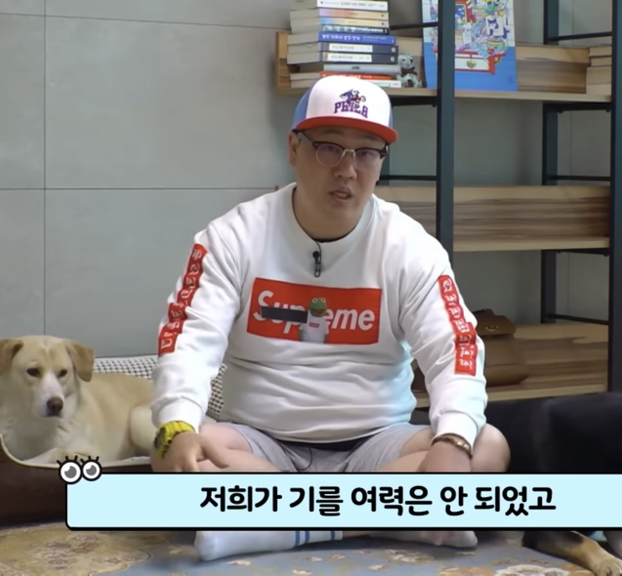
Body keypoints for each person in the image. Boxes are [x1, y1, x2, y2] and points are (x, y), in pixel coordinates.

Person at [148, 75, 510, 561]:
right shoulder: (231, 237)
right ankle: (388, 520)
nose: (347, 170)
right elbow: (188, 340)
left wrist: (451, 438)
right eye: (328, 148)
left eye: (367, 153)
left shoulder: (410, 247)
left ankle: (283, 523)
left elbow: (455, 350)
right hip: (259, 443)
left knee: (486, 446)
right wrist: (177, 421)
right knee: (169, 450)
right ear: (293, 149)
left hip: (378, 446)